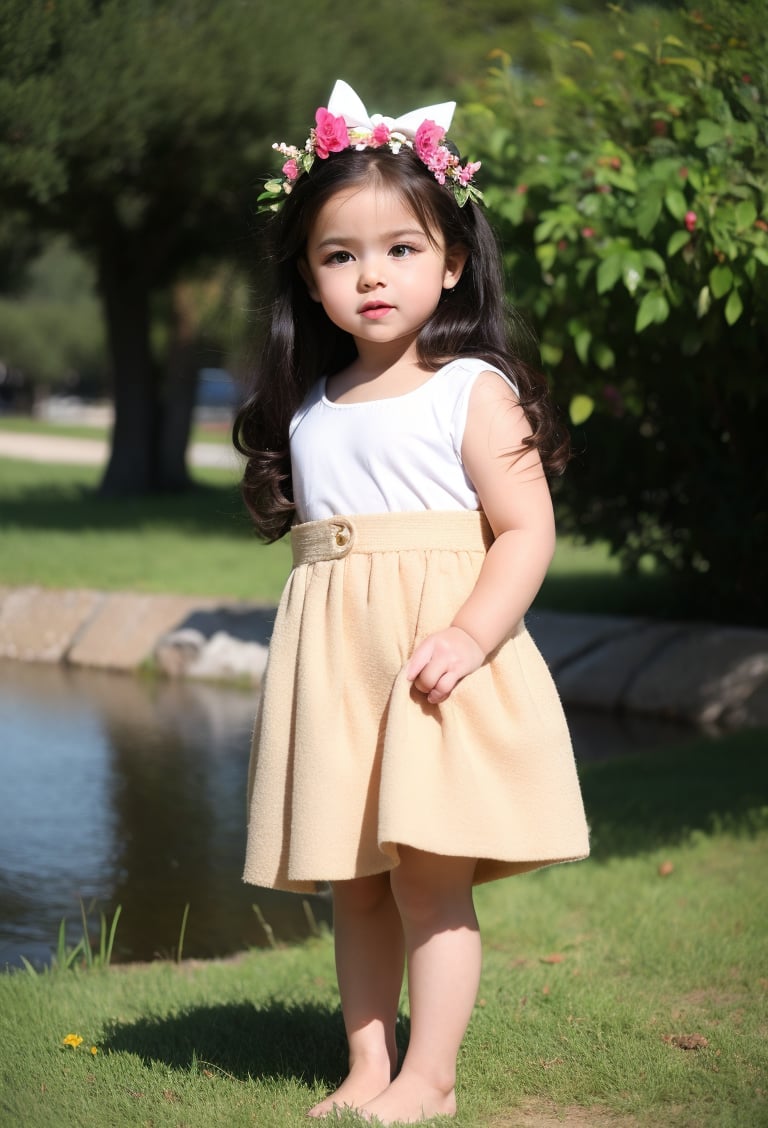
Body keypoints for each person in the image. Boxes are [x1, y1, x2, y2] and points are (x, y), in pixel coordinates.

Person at [235, 80, 590, 1125]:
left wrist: (473, 635)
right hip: (339, 662)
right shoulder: (311, 407)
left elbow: (526, 530)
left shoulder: (468, 388)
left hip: (436, 659)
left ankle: (430, 1078)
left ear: (450, 259)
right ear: (307, 275)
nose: (370, 276)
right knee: (355, 879)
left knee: (430, 876)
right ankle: (366, 1067)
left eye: (399, 248)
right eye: (339, 256)